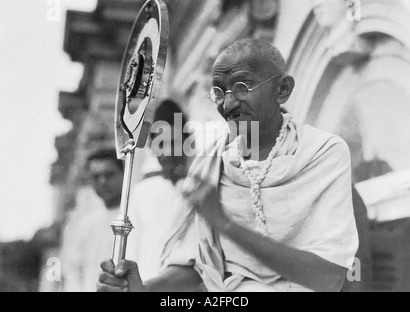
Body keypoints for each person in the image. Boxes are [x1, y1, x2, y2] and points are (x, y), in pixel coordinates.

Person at [97, 38, 358, 292]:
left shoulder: (322, 153)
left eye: (243, 86)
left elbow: (328, 277)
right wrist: (145, 289)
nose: (229, 103)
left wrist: (224, 223)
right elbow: (200, 268)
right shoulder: (210, 163)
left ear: (282, 89)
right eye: (219, 92)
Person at [126, 99, 190, 281]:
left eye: (175, 142)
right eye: (161, 144)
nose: (169, 151)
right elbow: (131, 250)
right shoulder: (142, 193)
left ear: (188, 141)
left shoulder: (204, 186)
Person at [61, 148, 124, 292]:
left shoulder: (134, 215)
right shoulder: (86, 224)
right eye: (96, 176)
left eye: (109, 175)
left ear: (124, 174)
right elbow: (73, 271)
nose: (102, 181)